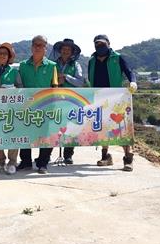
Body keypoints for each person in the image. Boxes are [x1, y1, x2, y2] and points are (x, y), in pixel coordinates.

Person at [87, 34, 137, 171]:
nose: (100, 46)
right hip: (99, 98)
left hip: (116, 98)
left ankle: (128, 159)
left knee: (122, 127)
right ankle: (105, 157)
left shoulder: (117, 58)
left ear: (108, 44)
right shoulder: (92, 61)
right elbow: (90, 78)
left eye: (102, 44)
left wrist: (133, 82)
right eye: (97, 44)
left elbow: (129, 72)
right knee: (103, 127)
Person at [17, 35, 58, 174]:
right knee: (25, 134)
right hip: (27, 106)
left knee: (45, 135)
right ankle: (25, 162)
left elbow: (55, 86)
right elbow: (19, 85)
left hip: (46, 106)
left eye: (41, 45)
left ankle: (43, 163)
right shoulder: (23, 65)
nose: (38, 47)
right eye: (35, 45)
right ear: (31, 47)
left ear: (46, 48)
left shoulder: (52, 66)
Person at [0, 42, 21, 174]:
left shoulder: (14, 71)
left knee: (13, 135)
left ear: (9, 57)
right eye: (0, 53)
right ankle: (0, 162)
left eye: (5, 54)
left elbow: (21, 89)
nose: (2, 56)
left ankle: (12, 162)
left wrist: (9, 89)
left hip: (11, 109)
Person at [50, 38, 85, 164]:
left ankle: (68, 155)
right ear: (60, 50)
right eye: (63, 49)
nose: (65, 51)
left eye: (68, 49)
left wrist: (65, 77)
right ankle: (46, 154)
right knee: (52, 127)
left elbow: (80, 82)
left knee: (71, 128)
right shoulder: (52, 64)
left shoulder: (76, 65)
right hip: (54, 99)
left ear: (72, 52)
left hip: (71, 101)